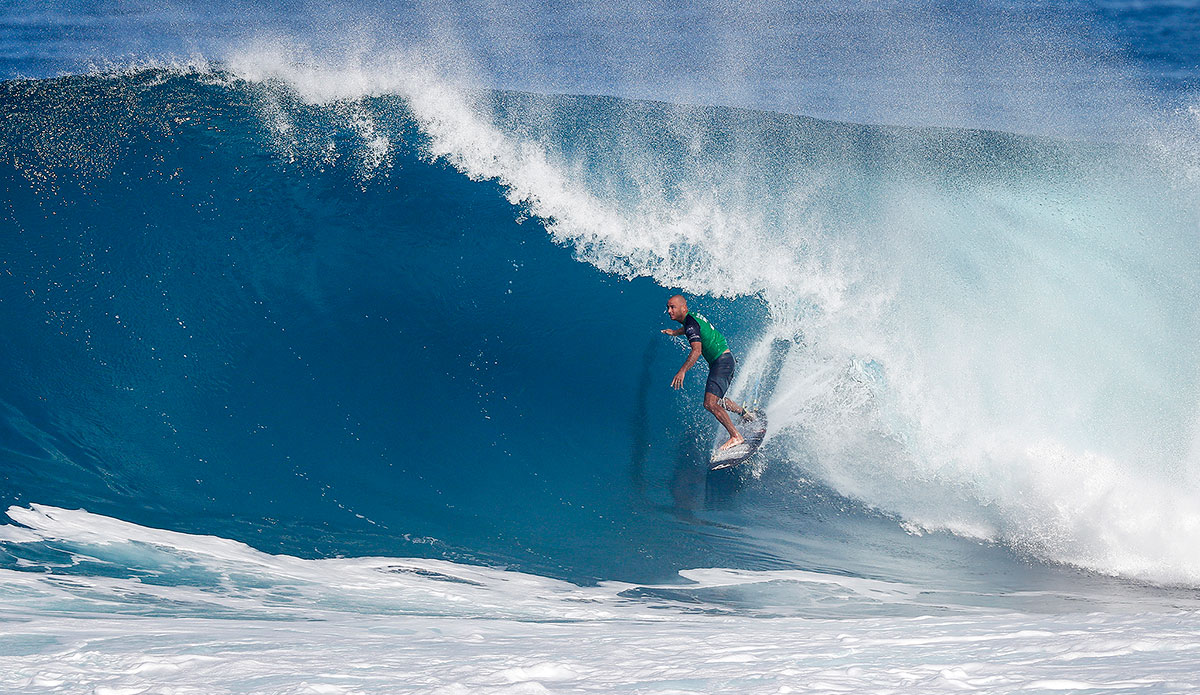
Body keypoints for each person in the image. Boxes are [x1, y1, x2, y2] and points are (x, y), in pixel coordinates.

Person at [661, 295, 755, 451]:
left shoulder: (690, 323)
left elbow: (696, 351)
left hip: (721, 362)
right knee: (717, 401)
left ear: (683, 308)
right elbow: (689, 328)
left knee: (710, 403)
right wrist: (674, 332)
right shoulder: (692, 317)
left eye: (672, 307)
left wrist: (682, 371)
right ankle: (745, 414)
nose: (669, 311)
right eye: (668, 307)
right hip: (726, 359)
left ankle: (736, 436)